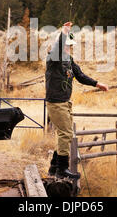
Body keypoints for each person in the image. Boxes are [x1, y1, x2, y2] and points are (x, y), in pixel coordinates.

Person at [46, 22, 109, 179]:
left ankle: (54, 167)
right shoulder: (53, 59)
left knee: (63, 134)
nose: (69, 48)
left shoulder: (69, 60)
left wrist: (96, 84)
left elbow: (80, 75)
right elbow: (57, 49)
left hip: (66, 102)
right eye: (67, 45)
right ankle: (62, 169)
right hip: (56, 103)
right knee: (66, 133)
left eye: (70, 45)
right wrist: (64, 32)